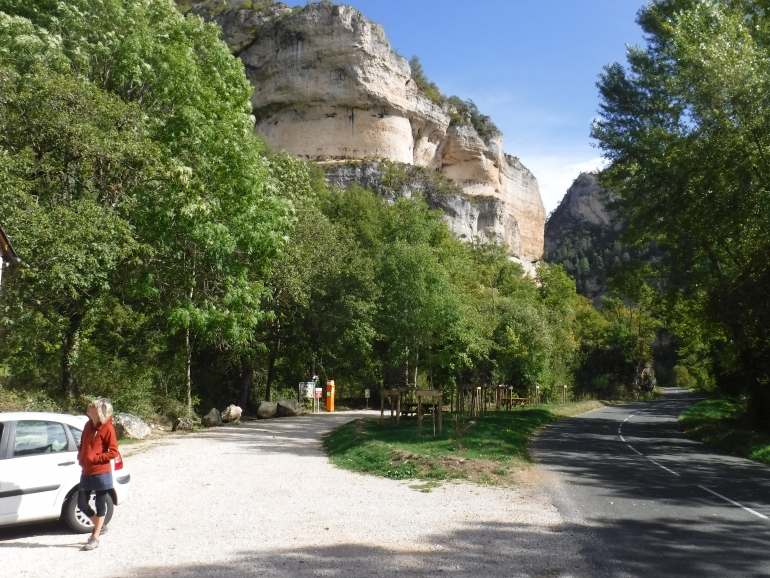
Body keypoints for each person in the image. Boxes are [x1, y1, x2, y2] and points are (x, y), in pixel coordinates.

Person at [77, 397, 119, 551]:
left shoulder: (107, 428)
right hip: (86, 471)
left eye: (92, 406)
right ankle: (100, 526)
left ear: (99, 411)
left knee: (100, 504)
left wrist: (95, 458)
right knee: (81, 503)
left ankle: (95, 537)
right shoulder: (88, 425)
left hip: (101, 472)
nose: (88, 407)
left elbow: (113, 451)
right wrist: (81, 456)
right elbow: (82, 444)